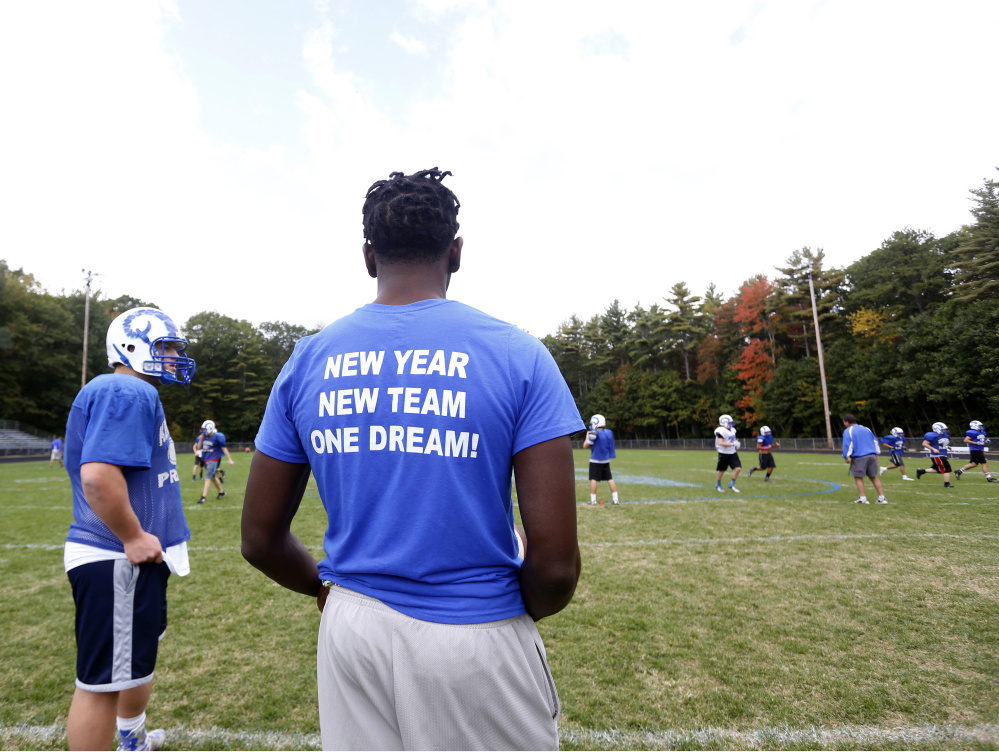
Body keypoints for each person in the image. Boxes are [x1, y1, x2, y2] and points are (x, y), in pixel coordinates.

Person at [241, 168, 582, 751]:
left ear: (369, 257)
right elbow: (553, 567)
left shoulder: (308, 359)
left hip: (351, 630)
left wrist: (327, 590)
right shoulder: (517, 353)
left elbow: (259, 539)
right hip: (476, 631)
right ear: (456, 252)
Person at [63, 307, 196, 751]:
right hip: (115, 555)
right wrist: (133, 536)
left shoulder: (133, 392)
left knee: (134, 665)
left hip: (127, 558)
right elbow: (98, 476)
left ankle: (132, 739)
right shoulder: (125, 388)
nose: (175, 355)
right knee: (100, 686)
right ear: (133, 346)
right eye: (167, 346)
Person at [841, 414, 887, 504]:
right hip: (872, 456)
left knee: (858, 477)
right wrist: (876, 454)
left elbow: (848, 444)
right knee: (874, 477)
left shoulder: (848, 431)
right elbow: (875, 441)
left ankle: (863, 498)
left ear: (847, 422)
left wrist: (847, 456)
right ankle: (882, 498)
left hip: (859, 457)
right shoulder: (866, 429)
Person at [583, 413, 620, 504]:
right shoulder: (608, 432)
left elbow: (585, 445)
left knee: (593, 479)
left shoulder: (594, 433)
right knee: (610, 478)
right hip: (606, 459)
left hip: (595, 459)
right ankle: (616, 499)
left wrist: (587, 435)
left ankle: (593, 500)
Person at [195, 420, 234, 504]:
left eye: (204, 429)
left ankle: (203, 497)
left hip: (213, 459)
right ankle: (222, 492)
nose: (203, 431)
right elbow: (198, 449)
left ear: (210, 428)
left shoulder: (217, 437)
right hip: (205, 459)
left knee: (207, 477)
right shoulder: (202, 437)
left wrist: (230, 459)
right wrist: (201, 440)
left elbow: (224, 448)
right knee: (212, 477)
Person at [916, 421, 955, 487]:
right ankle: (947, 484)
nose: (945, 430)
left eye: (945, 429)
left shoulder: (945, 435)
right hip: (937, 455)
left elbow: (940, 443)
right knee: (947, 468)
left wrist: (947, 446)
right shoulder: (932, 435)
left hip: (943, 454)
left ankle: (922, 471)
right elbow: (924, 444)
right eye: (943, 429)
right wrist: (933, 449)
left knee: (938, 470)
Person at [714, 414, 742, 492]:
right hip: (724, 453)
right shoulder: (721, 431)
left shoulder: (732, 430)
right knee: (722, 470)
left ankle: (732, 483)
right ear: (724, 422)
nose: (731, 424)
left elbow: (731, 440)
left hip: (732, 452)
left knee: (738, 468)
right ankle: (718, 484)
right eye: (729, 423)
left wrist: (735, 445)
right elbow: (720, 442)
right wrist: (732, 444)